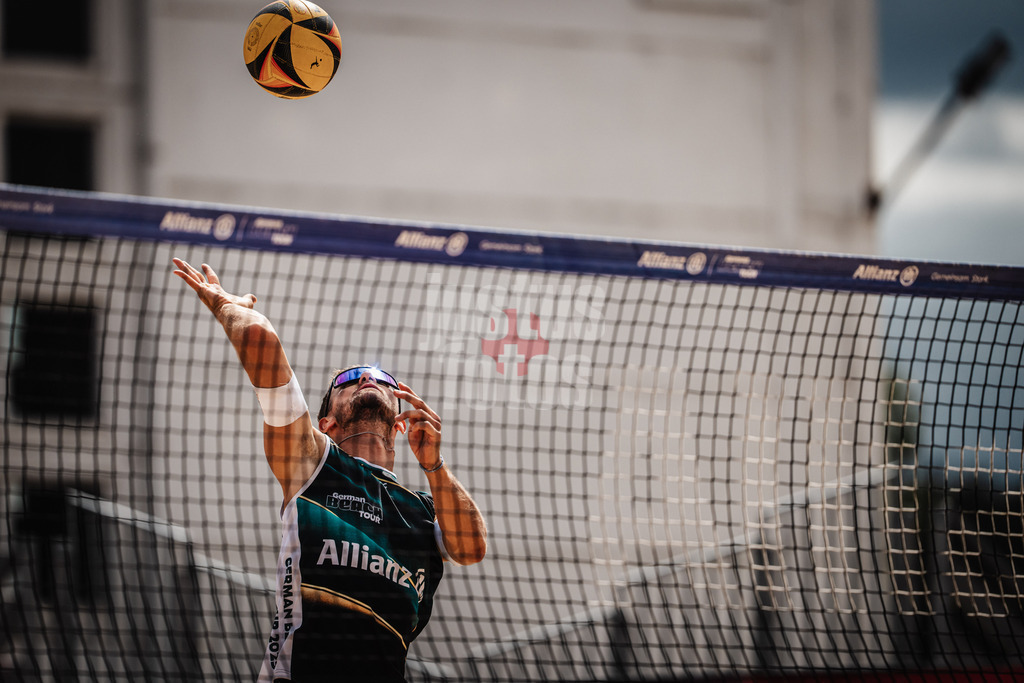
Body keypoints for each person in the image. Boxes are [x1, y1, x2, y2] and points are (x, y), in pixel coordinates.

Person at [172, 259, 487, 682]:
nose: (369, 380)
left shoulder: (423, 509)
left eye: (381, 377)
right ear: (328, 423)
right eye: (352, 377)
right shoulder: (312, 462)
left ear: (399, 423)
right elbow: (262, 345)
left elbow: (472, 548)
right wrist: (231, 309)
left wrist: (434, 466)